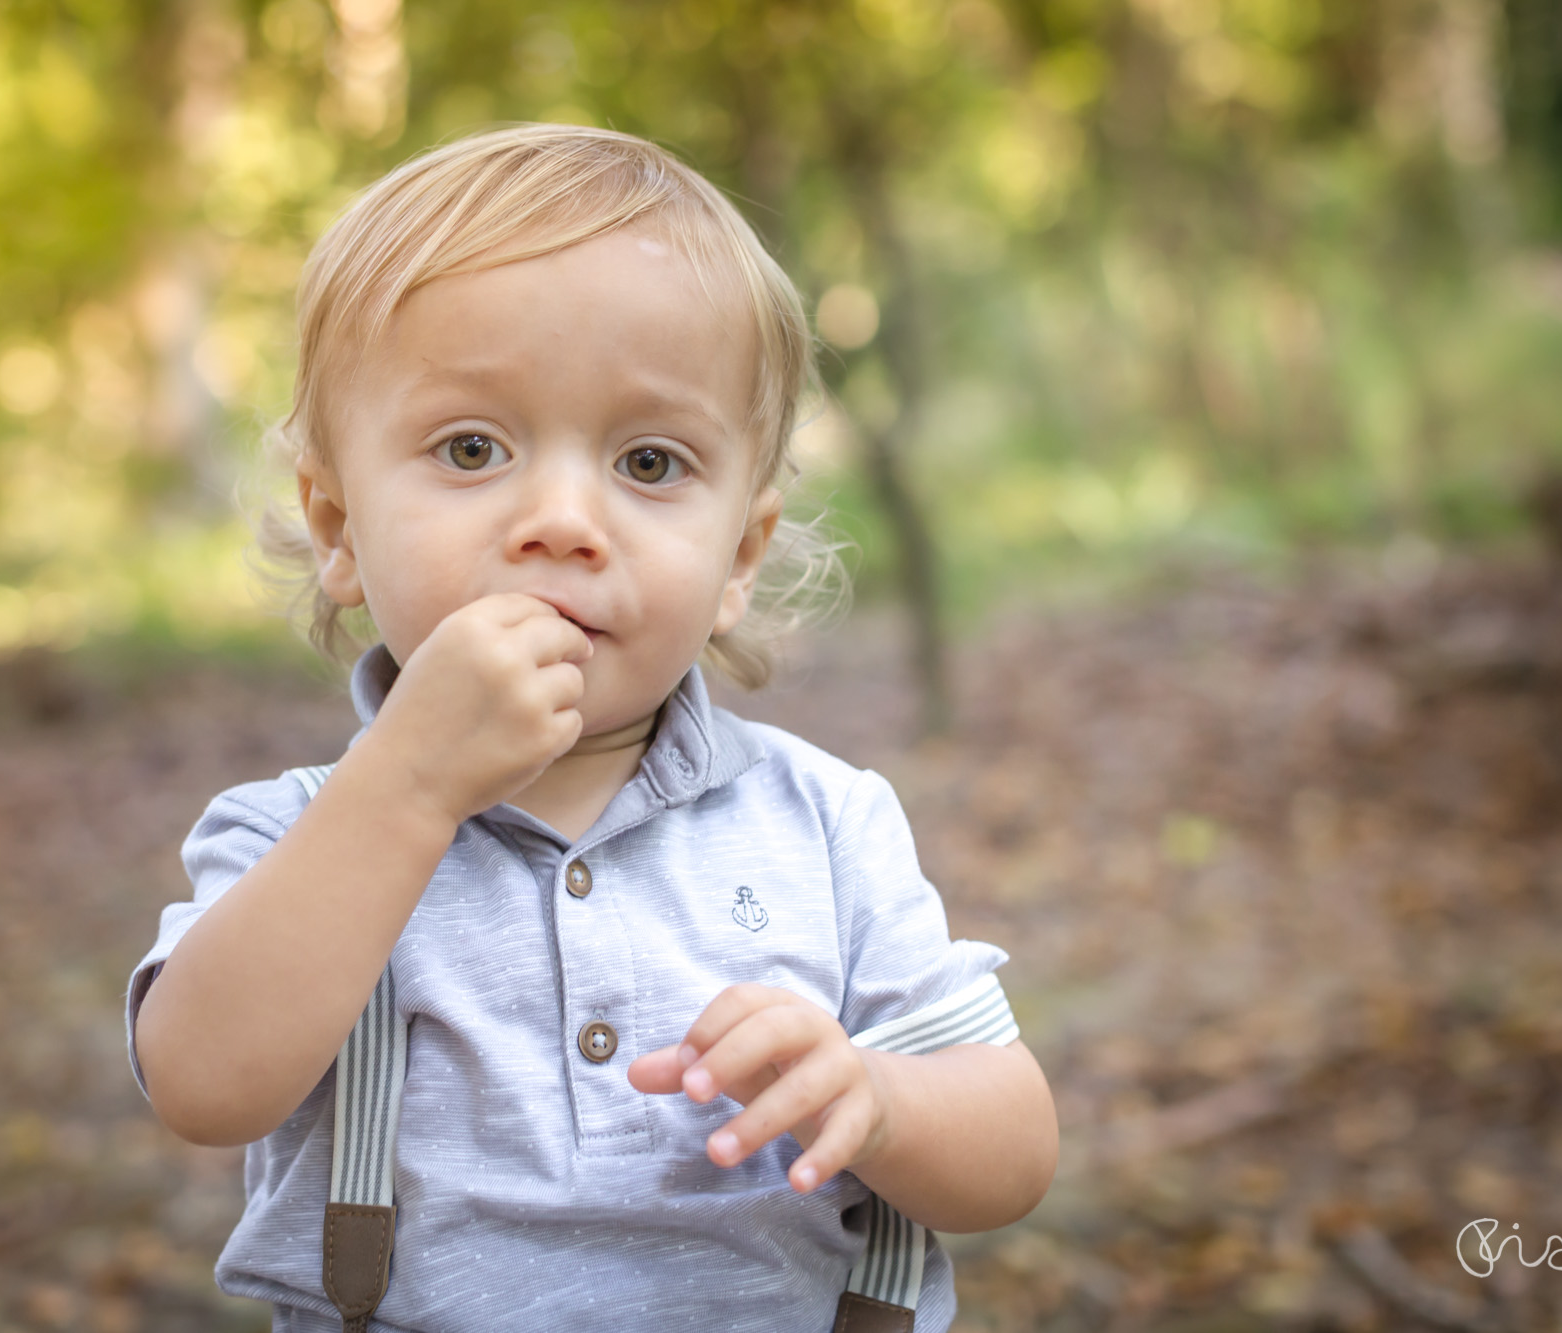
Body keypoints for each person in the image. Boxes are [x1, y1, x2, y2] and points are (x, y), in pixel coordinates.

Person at [125, 123, 1058, 1333]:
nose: (562, 520)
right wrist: (406, 786)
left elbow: (1014, 1144)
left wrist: (875, 1100)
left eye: (650, 461)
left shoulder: (820, 823)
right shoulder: (299, 835)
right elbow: (202, 1083)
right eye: (473, 447)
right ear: (337, 523)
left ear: (738, 554)